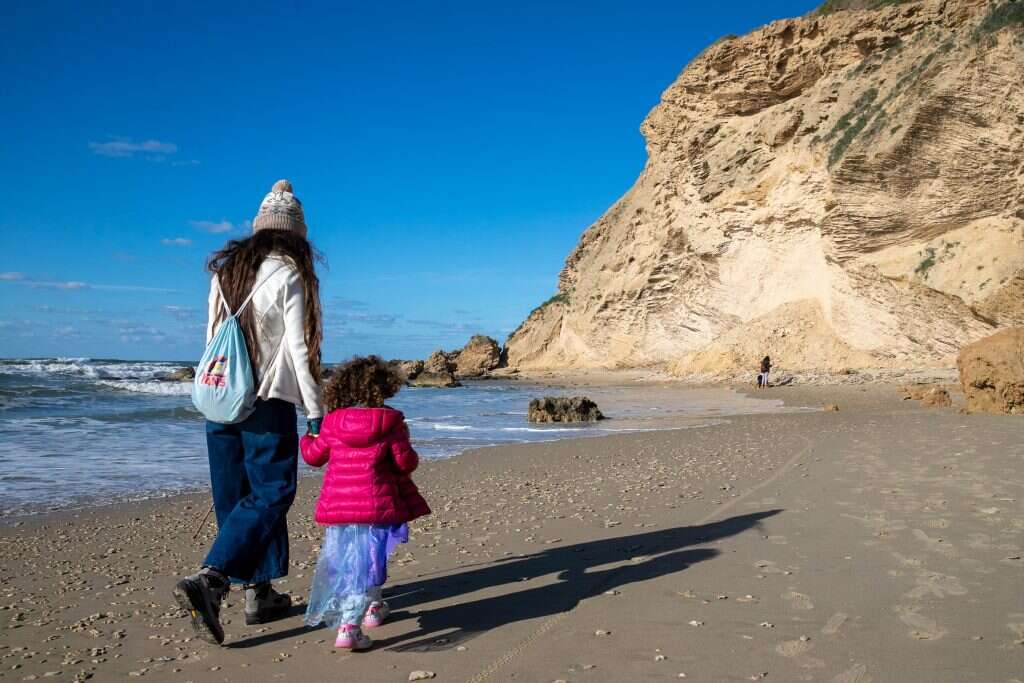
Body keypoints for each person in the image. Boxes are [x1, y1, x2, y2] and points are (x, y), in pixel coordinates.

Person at [174, 179, 324, 646]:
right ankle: (213, 580)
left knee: (236, 497)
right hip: (265, 401)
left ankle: (260, 595)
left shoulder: (226, 272)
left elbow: (212, 339)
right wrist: (315, 410)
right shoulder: (289, 273)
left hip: (219, 397)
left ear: (259, 230)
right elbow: (298, 349)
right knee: (272, 491)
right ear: (295, 234)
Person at [300, 356, 431, 651]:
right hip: (376, 505)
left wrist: (308, 437)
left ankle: (372, 607)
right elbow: (404, 462)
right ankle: (350, 626)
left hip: (340, 507)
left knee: (350, 562)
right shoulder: (391, 421)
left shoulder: (333, 422)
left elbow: (313, 457)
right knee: (371, 559)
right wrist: (407, 449)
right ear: (385, 387)